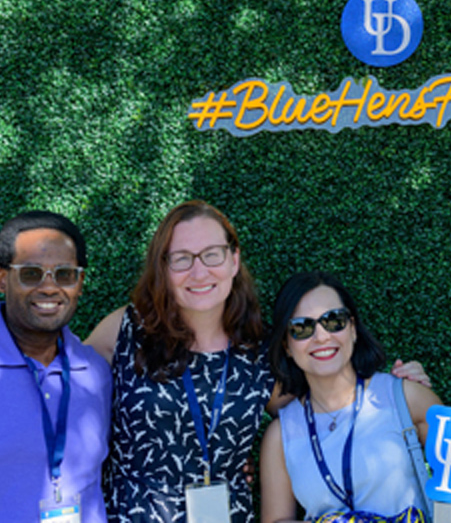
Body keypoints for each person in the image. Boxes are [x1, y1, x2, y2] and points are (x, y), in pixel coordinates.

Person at [85, 201, 429, 523]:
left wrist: (390, 390)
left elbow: (322, 412)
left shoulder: (259, 349)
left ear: (234, 260)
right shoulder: (126, 330)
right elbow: (66, 392)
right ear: (162, 267)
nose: (199, 271)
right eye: (182, 258)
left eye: (212, 255)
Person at [0, 211, 112, 522]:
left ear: (80, 283)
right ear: (2, 279)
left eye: (65, 274)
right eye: (31, 273)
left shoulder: (95, 372)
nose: (48, 288)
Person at [260, 271, 442, 523]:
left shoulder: (404, 397)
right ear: (286, 346)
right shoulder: (280, 436)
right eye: (302, 327)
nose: (321, 336)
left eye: (334, 320)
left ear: (353, 329)